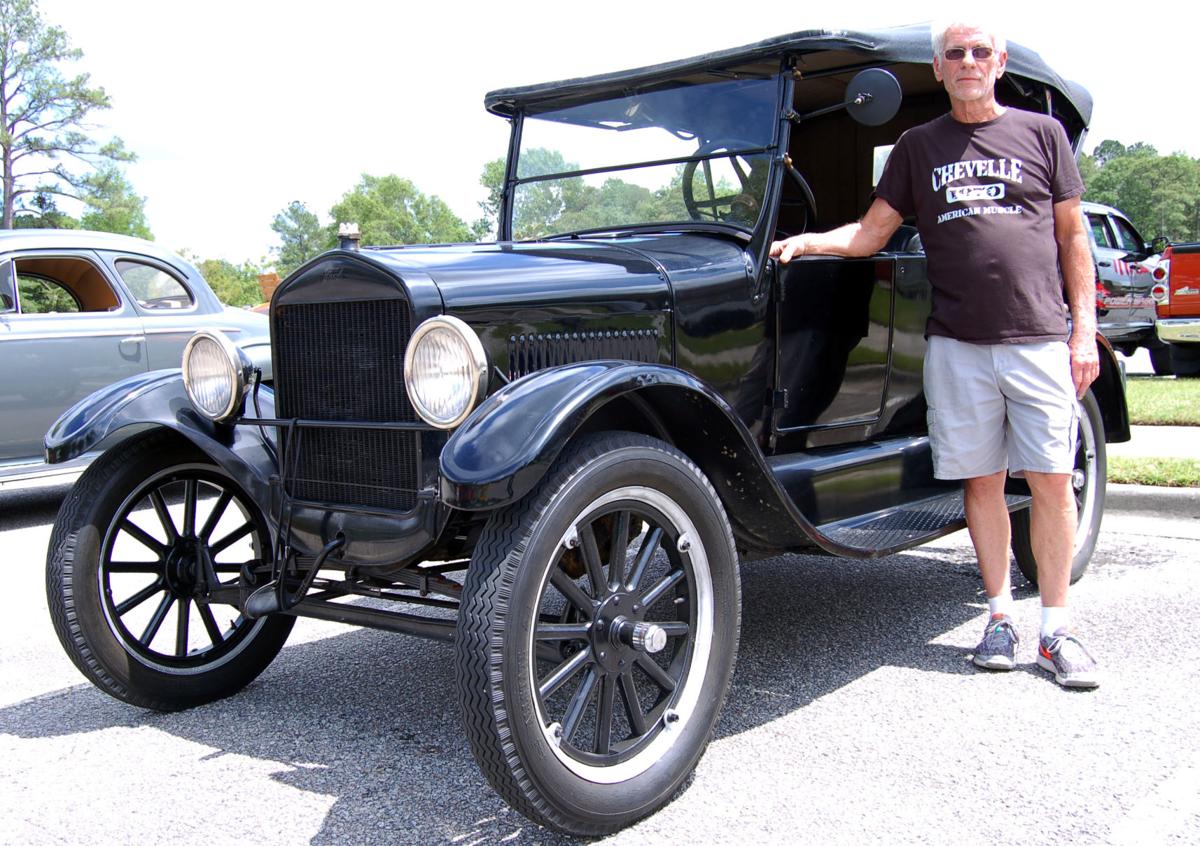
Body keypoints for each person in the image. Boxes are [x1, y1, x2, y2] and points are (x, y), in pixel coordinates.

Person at [770, 20, 1101, 688]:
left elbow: (1073, 238)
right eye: (957, 54)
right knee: (980, 482)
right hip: (956, 343)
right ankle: (1000, 618)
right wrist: (807, 242)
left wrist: (1084, 331)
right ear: (940, 68)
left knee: (1050, 483)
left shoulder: (1042, 136)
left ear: (999, 62)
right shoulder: (920, 147)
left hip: (1037, 337)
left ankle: (1057, 630)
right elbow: (871, 233)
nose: (970, 61)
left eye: (981, 52)